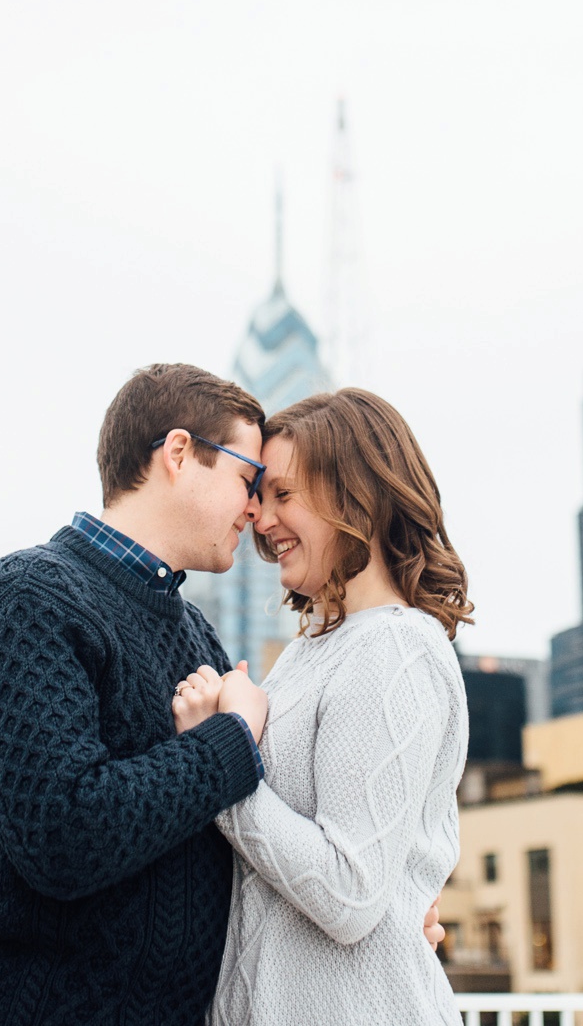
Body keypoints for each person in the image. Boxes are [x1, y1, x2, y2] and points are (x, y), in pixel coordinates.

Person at [0, 362, 274, 1026]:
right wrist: (230, 740)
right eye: (250, 478)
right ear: (180, 453)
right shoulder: (30, 597)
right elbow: (64, 833)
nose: (257, 507)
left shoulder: (198, 635)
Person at [172, 388, 472, 1026]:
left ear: (355, 496)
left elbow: (348, 891)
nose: (260, 517)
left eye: (283, 494)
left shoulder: (394, 649)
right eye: (260, 496)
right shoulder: (315, 650)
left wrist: (220, 756)